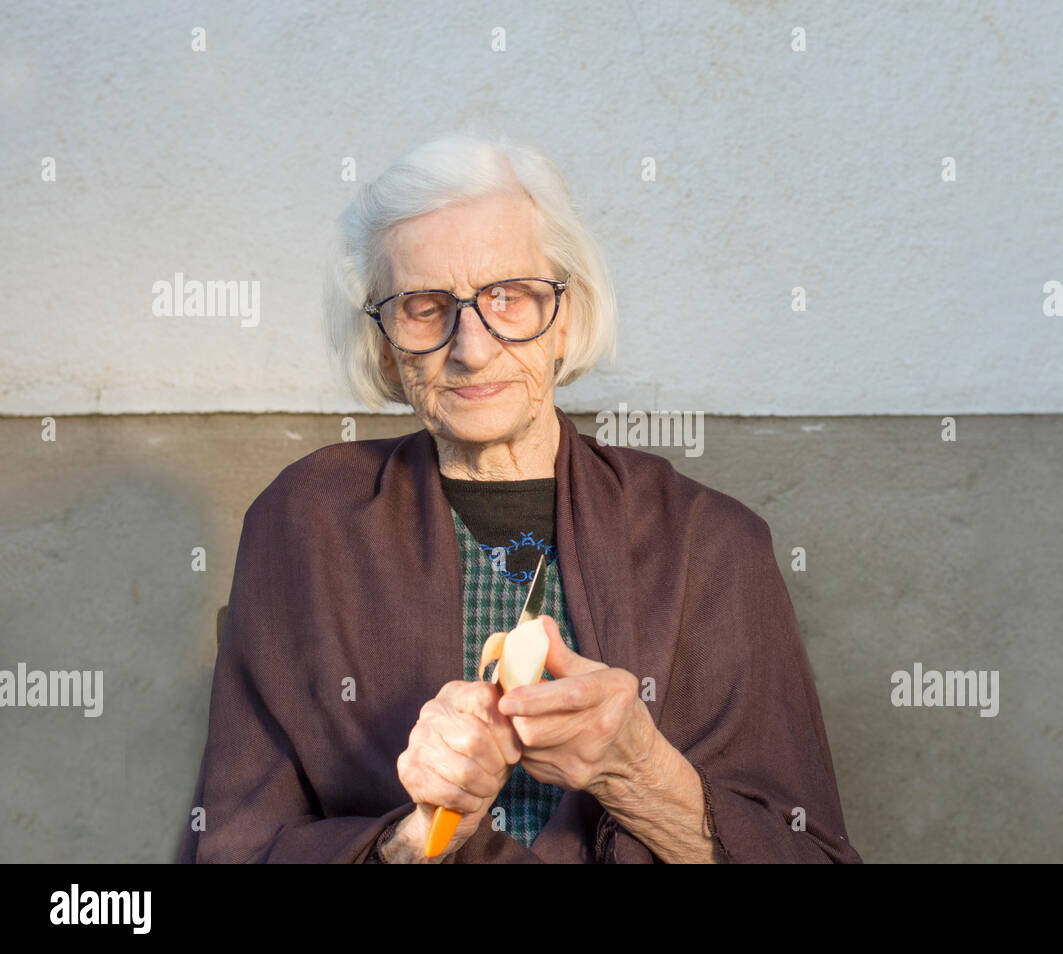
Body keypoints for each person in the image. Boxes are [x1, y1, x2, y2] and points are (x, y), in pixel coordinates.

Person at [179, 132, 860, 863]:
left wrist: (638, 770)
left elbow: (812, 856)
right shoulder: (305, 523)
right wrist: (415, 841)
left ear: (565, 316)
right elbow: (236, 847)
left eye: (510, 296)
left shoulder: (712, 542)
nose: (471, 347)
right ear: (382, 342)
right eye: (423, 306)